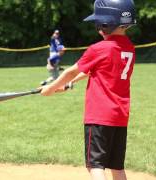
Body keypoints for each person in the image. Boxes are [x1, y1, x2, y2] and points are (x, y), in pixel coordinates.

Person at [41, 0, 136, 180]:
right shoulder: (129, 48)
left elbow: (72, 71)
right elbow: (93, 71)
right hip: (120, 116)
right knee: (117, 167)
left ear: (104, 24)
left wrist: (50, 88)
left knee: (95, 166)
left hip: (99, 116)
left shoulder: (98, 48)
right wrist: (67, 85)